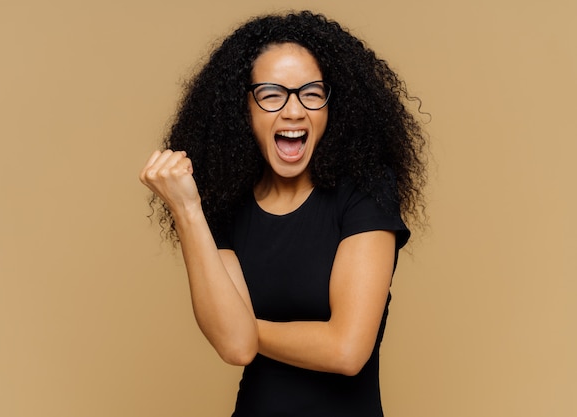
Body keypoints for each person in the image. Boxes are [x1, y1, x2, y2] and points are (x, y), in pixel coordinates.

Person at [139, 10, 427, 417]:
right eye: (272, 94)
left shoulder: (365, 193)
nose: (293, 111)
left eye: (311, 93)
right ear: (244, 108)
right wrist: (187, 210)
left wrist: (246, 326)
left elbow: (347, 350)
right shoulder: (224, 204)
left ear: (333, 105)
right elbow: (236, 348)